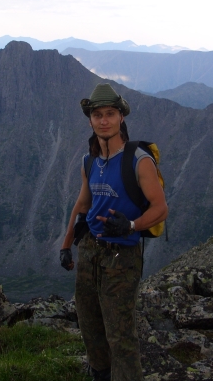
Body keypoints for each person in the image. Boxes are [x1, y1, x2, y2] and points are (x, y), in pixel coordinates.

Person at [60, 83, 168, 381]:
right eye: (97, 115)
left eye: (110, 114)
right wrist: (66, 245)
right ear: (90, 119)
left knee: (120, 335)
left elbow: (160, 208)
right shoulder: (90, 160)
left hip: (122, 257)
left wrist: (131, 225)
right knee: (91, 327)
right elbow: (83, 203)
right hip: (90, 251)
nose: (104, 120)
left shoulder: (139, 160)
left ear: (121, 117)